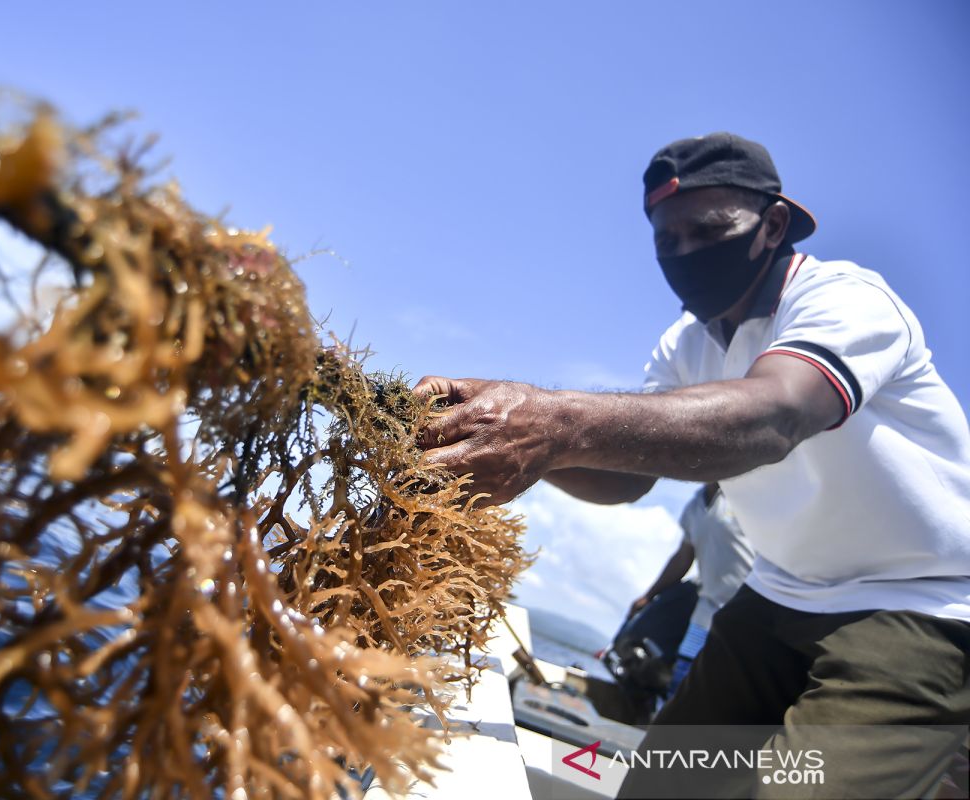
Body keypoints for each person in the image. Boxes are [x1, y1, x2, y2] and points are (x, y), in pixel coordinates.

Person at [413, 132, 970, 797]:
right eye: (666, 242)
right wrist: (530, 448)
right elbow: (627, 478)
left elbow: (773, 416)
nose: (684, 256)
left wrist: (551, 422)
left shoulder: (845, 300)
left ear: (774, 225)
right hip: (777, 595)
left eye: (707, 231)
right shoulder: (685, 346)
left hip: (918, 606)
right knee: (660, 787)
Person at [626, 482, 753, 697]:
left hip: (746, 620)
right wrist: (649, 595)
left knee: (723, 690)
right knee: (683, 682)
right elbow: (683, 557)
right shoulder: (695, 504)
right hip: (704, 616)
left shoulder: (748, 498)